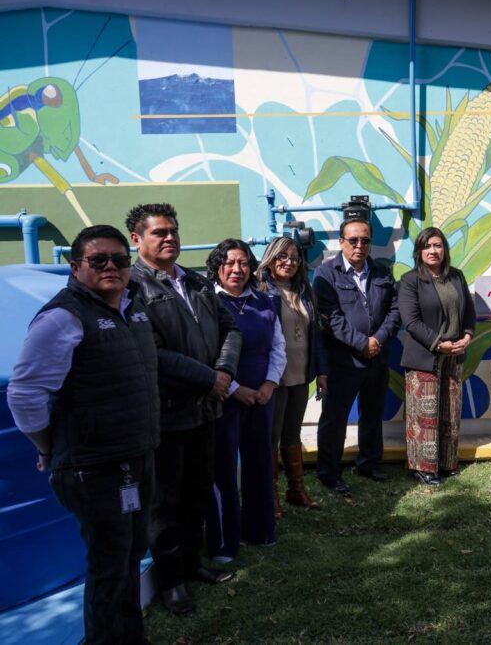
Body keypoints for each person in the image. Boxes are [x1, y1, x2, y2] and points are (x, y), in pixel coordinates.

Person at [7, 226, 159, 644]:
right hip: (95, 469)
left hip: (135, 455)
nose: (111, 266)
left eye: (119, 259)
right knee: (110, 566)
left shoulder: (129, 306)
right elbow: (24, 393)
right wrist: (48, 445)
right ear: (75, 268)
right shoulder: (64, 317)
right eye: (98, 260)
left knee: (129, 557)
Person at [127, 203, 241, 616]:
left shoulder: (194, 281)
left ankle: (193, 564)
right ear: (137, 240)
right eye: (159, 232)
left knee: (197, 489)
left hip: (205, 409)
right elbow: (151, 353)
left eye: (173, 230)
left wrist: (224, 370)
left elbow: (230, 328)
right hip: (168, 413)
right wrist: (207, 377)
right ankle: (171, 581)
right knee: (164, 501)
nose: (170, 238)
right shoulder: (132, 288)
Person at [205, 239, 285, 561]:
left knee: (259, 464)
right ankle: (225, 542)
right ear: (217, 267)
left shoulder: (265, 301)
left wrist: (269, 384)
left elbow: (277, 347)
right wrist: (235, 387)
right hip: (224, 397)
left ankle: (260, 529)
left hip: (262, 398)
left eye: (243, 263)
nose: (237, 269)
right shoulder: (207, 302)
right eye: (229, 263)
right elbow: (207, 351)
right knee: (223, 469)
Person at [313, 218, 400, 492]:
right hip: (344, 360)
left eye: (365, 240)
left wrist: (378, 340)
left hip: (377, 357)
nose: (359, 245)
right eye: (353, 240)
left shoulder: (383, 272)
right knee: (335, 417)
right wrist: (362, 342)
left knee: (373, 413)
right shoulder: (326, 274)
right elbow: (330, 318)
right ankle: (329, 471)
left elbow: (395, 312)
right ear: (341, 242)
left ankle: (369, 463)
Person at [398, 227, 475, 486]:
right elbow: (410, 321)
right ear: (419, 251)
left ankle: (447, 462)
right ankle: (424, 467)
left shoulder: (457, 277)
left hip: (454, 355)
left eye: (438, 245)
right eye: (428, 246)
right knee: (425, 416)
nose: (433, 251)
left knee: (450, 413)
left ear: (445, 249)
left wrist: (467, 335)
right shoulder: (411, 280)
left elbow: (469, 313)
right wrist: (438, 343)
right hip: (425, 356)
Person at [256, 237, 322, 514]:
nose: (289, 262)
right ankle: (270, 497)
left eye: (294, 257)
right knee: (272, 437)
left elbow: (315, 335)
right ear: (270, 259)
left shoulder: (304, 290)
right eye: (282, 257)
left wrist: (321, 370)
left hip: (301, 373)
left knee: (292, 434)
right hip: (275, 376)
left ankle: (297, 490)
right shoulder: (261, 291)